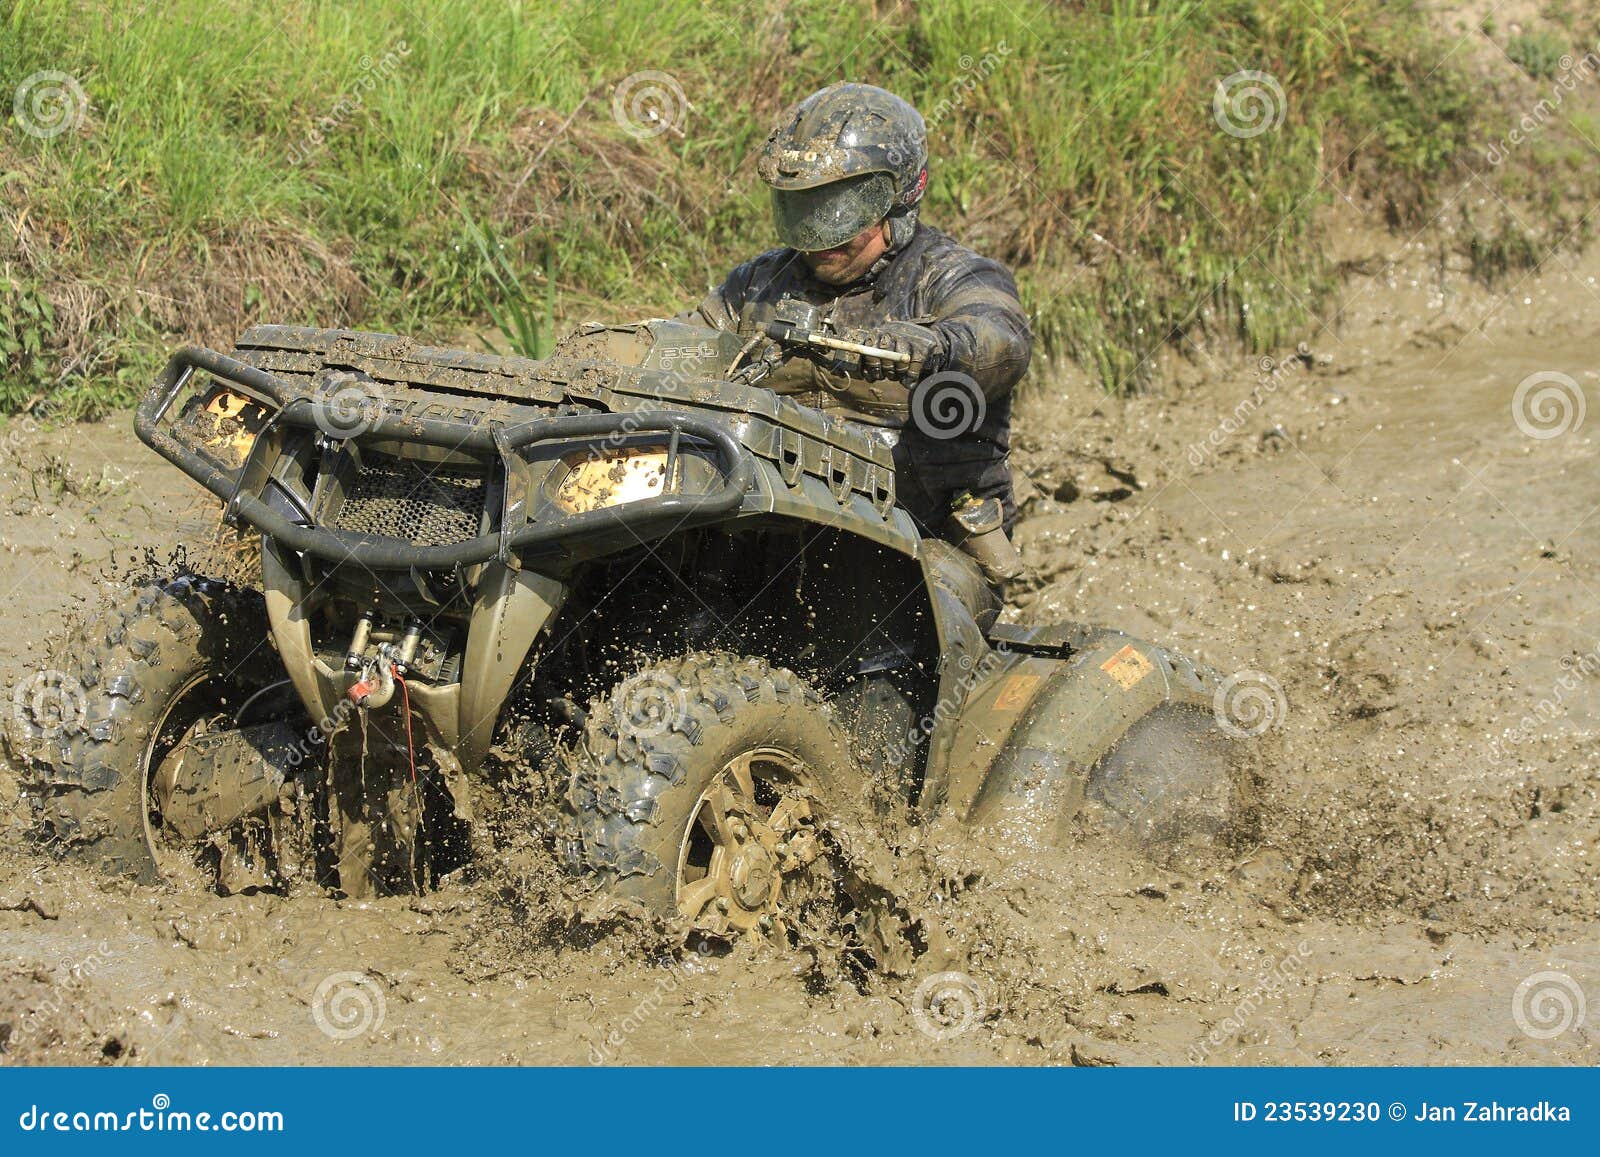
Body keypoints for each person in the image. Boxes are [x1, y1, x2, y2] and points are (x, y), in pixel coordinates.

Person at [679, 82, 1031, 590]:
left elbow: (1003, 341)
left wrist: (938, 347)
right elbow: (681, 348)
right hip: (773, 543)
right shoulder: (755, 285)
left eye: (840, 211)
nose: (820, 237)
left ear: (900, 197)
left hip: (924, 546)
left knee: (896, 619)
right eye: (805, 210)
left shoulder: (955, 276)